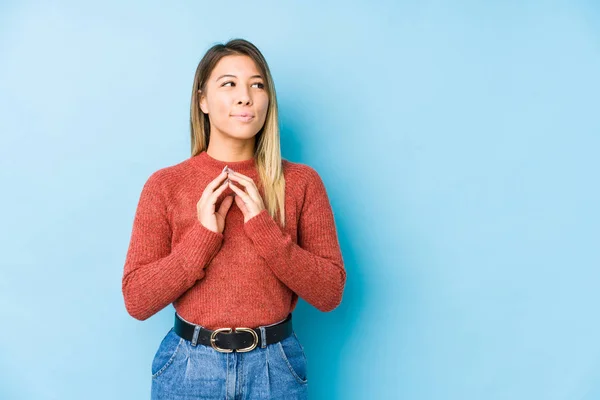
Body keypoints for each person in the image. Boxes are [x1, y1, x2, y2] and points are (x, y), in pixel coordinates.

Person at [121, 38, 346, 399]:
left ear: (268, 99)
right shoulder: (165, 185)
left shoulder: (302, 182)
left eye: (257, 85)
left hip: (276, 368)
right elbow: (137, 300)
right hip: (188, 367)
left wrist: (265, 230)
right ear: (202, 100)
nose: (245, 97)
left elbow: (330, 292)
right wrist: (201, 240)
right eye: (229, 84)